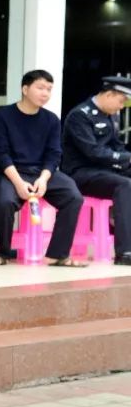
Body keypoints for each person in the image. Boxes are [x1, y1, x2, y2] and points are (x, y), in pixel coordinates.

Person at [0, 69, 86, 267]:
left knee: (73, 197)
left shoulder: (51, 120)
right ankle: (3, 252)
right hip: (12, 172)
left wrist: (44, 178)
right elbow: (0, 153)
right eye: (40, 88)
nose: (45, 93)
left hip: (41, 173)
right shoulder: (3, 116)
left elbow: (54, 153)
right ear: (25, 88)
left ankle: (58, 254)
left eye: (49, 89)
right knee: (4, 201)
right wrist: (18, 182)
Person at [62, 76, 131, 265]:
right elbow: (92, 152)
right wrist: (126, 159)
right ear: (109, 94)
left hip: (104, 172)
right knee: (125, 185)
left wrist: (126, 159)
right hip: (80, 174)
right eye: (121, 101)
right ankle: (125, 251)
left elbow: (116, 146)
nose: (122, 106)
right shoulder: (80, 116)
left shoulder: (110, 116)